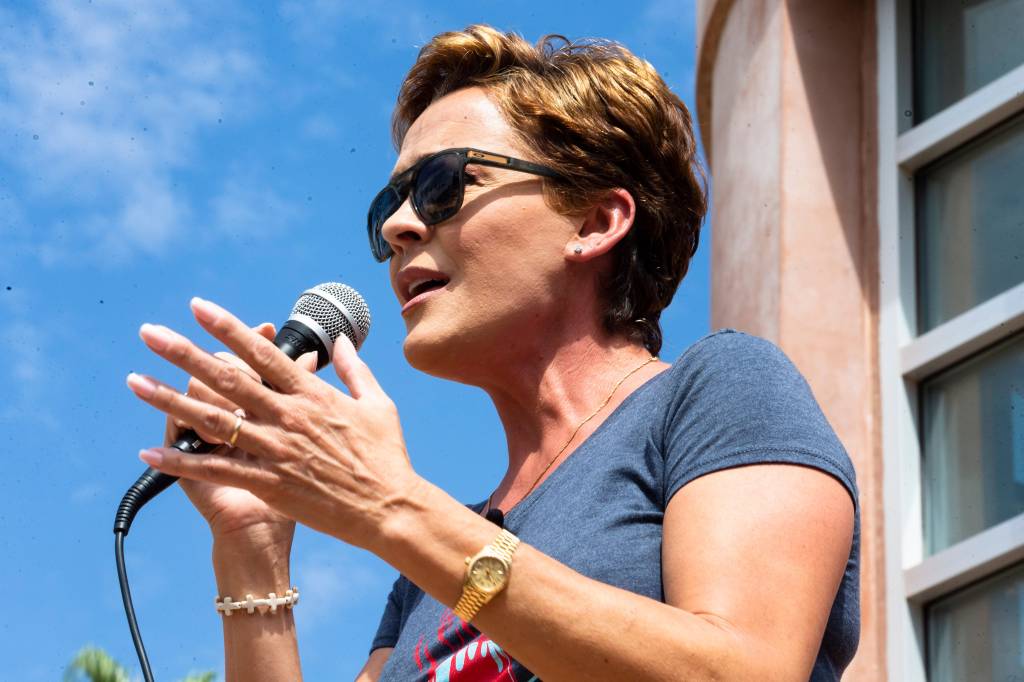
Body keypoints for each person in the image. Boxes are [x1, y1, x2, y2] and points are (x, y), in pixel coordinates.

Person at [125, 25, 860, 681]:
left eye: (446, 185)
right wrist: (252, 548)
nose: (402, 227)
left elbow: (746, 672)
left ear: (596, 222)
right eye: (390, 206)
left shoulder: (719, 392)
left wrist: (392, 505)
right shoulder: (423, 577)